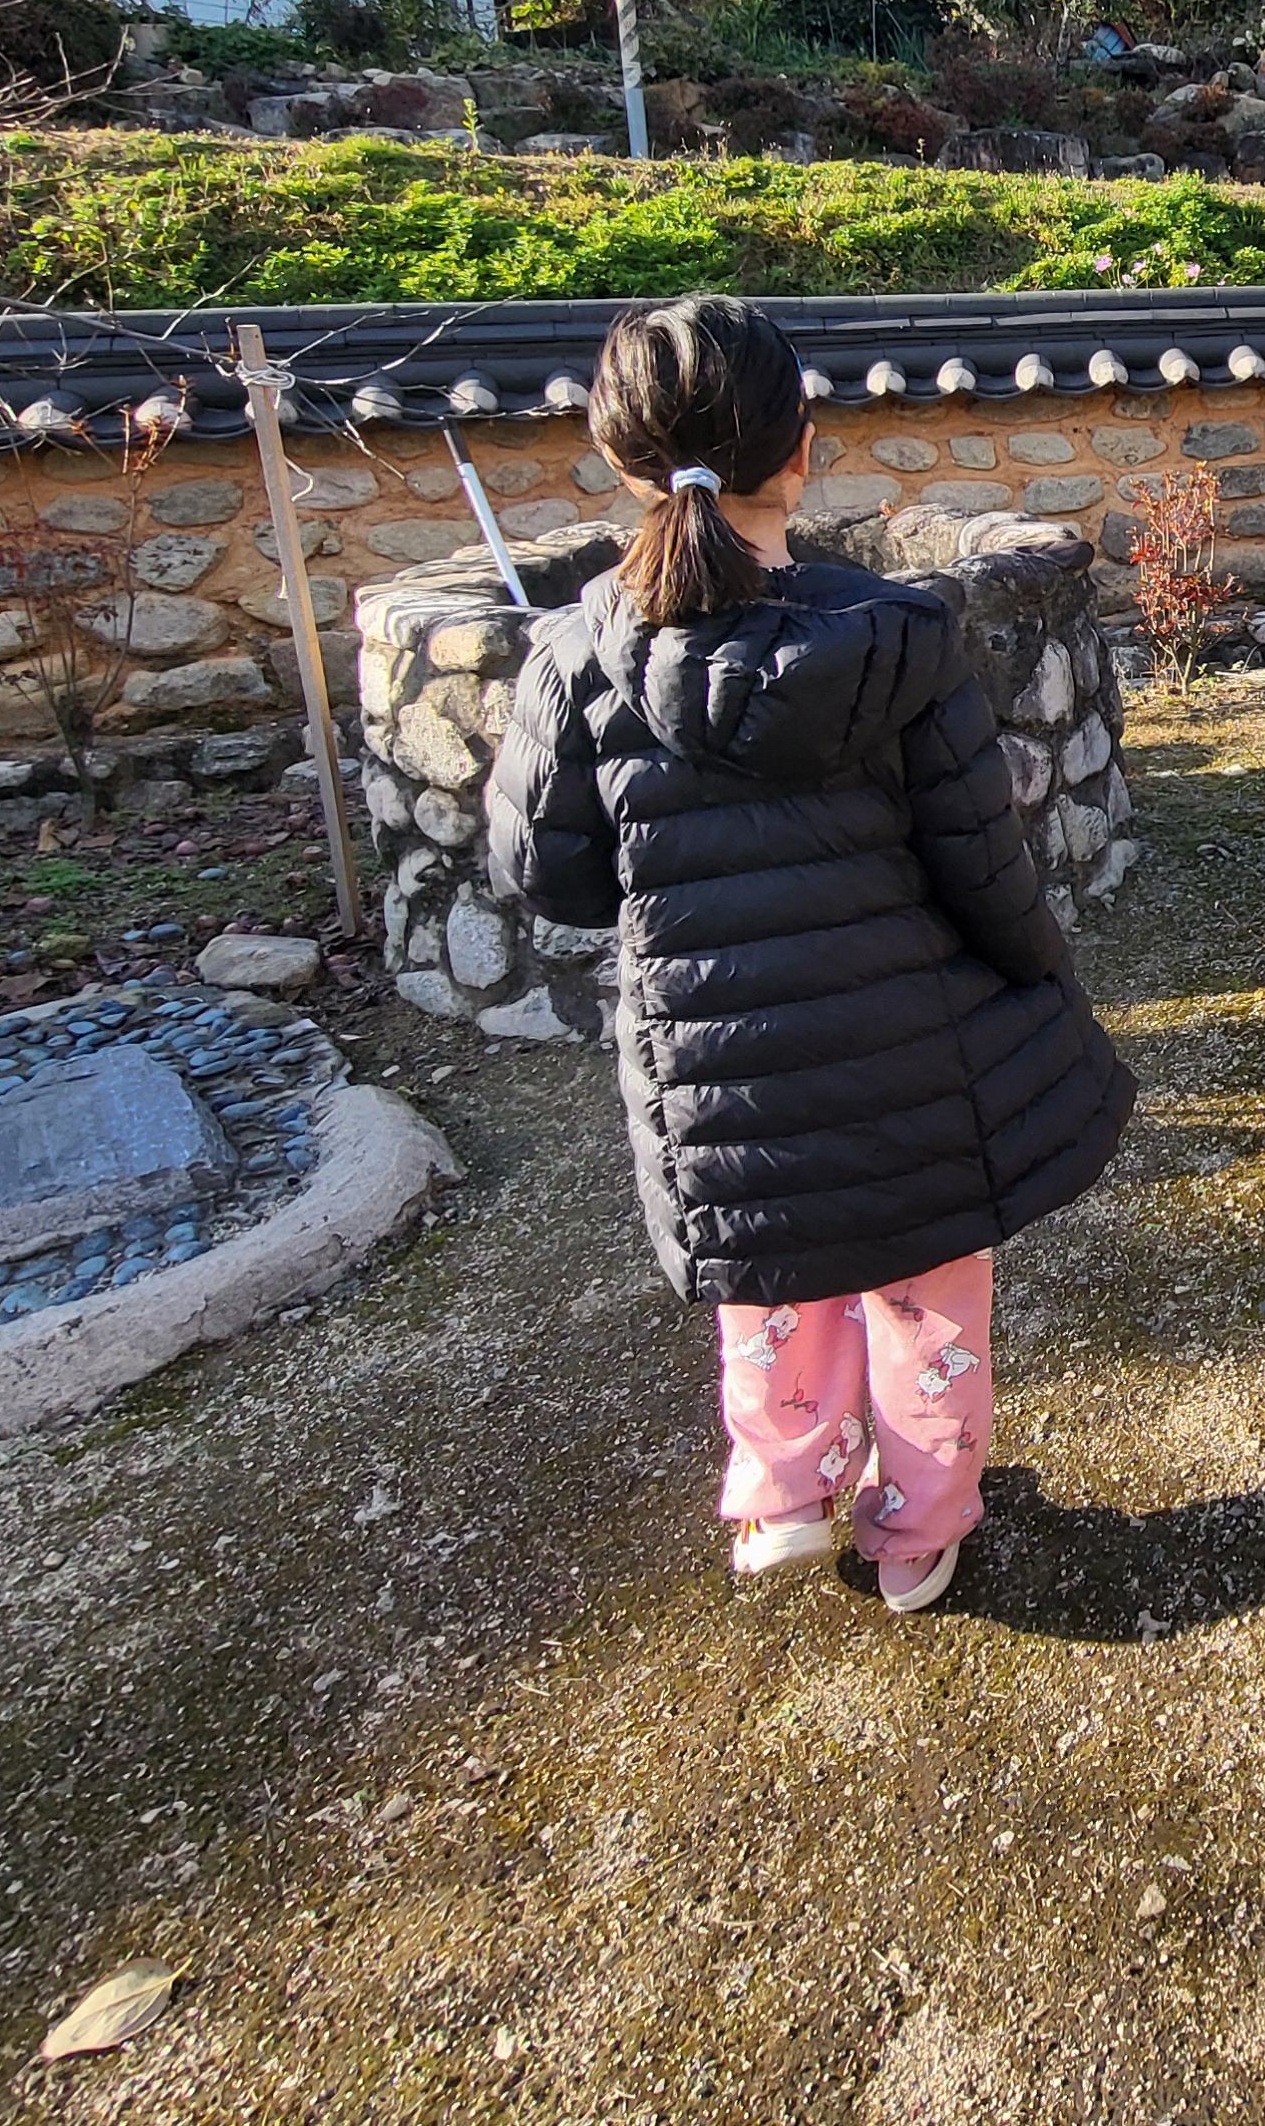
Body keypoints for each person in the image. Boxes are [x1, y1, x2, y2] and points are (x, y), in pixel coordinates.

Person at [487, 295, 1133, 1613]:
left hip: (718, 1065)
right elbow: (983, 864)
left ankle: (782, 1496)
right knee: (928, 1303)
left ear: (622, 465)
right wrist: (1039, 975)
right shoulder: (897, 636)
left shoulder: (577, 654)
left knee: (771, 1287)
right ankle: (916, 1534)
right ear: (800, 451)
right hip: (909, 1057)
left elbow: (549, 877)